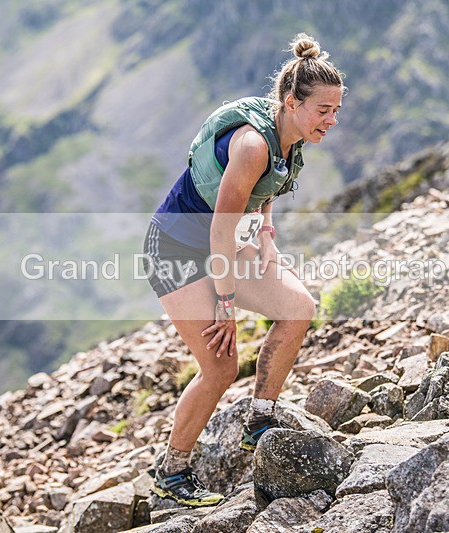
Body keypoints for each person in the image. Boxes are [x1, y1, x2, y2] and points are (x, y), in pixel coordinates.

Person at [142, 33, 345, 507]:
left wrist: (267, 234)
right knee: (220, 366)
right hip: (175, 249)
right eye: (324, 110)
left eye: (336, 110)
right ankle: (171, 474)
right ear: (292, 103)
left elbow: (267, 187)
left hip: (224, 244)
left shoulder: (290, 135)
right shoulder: (253, 145)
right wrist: (226, 303)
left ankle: (260, 420)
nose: (332, 120)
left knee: (298, 308)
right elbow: (220, 229)